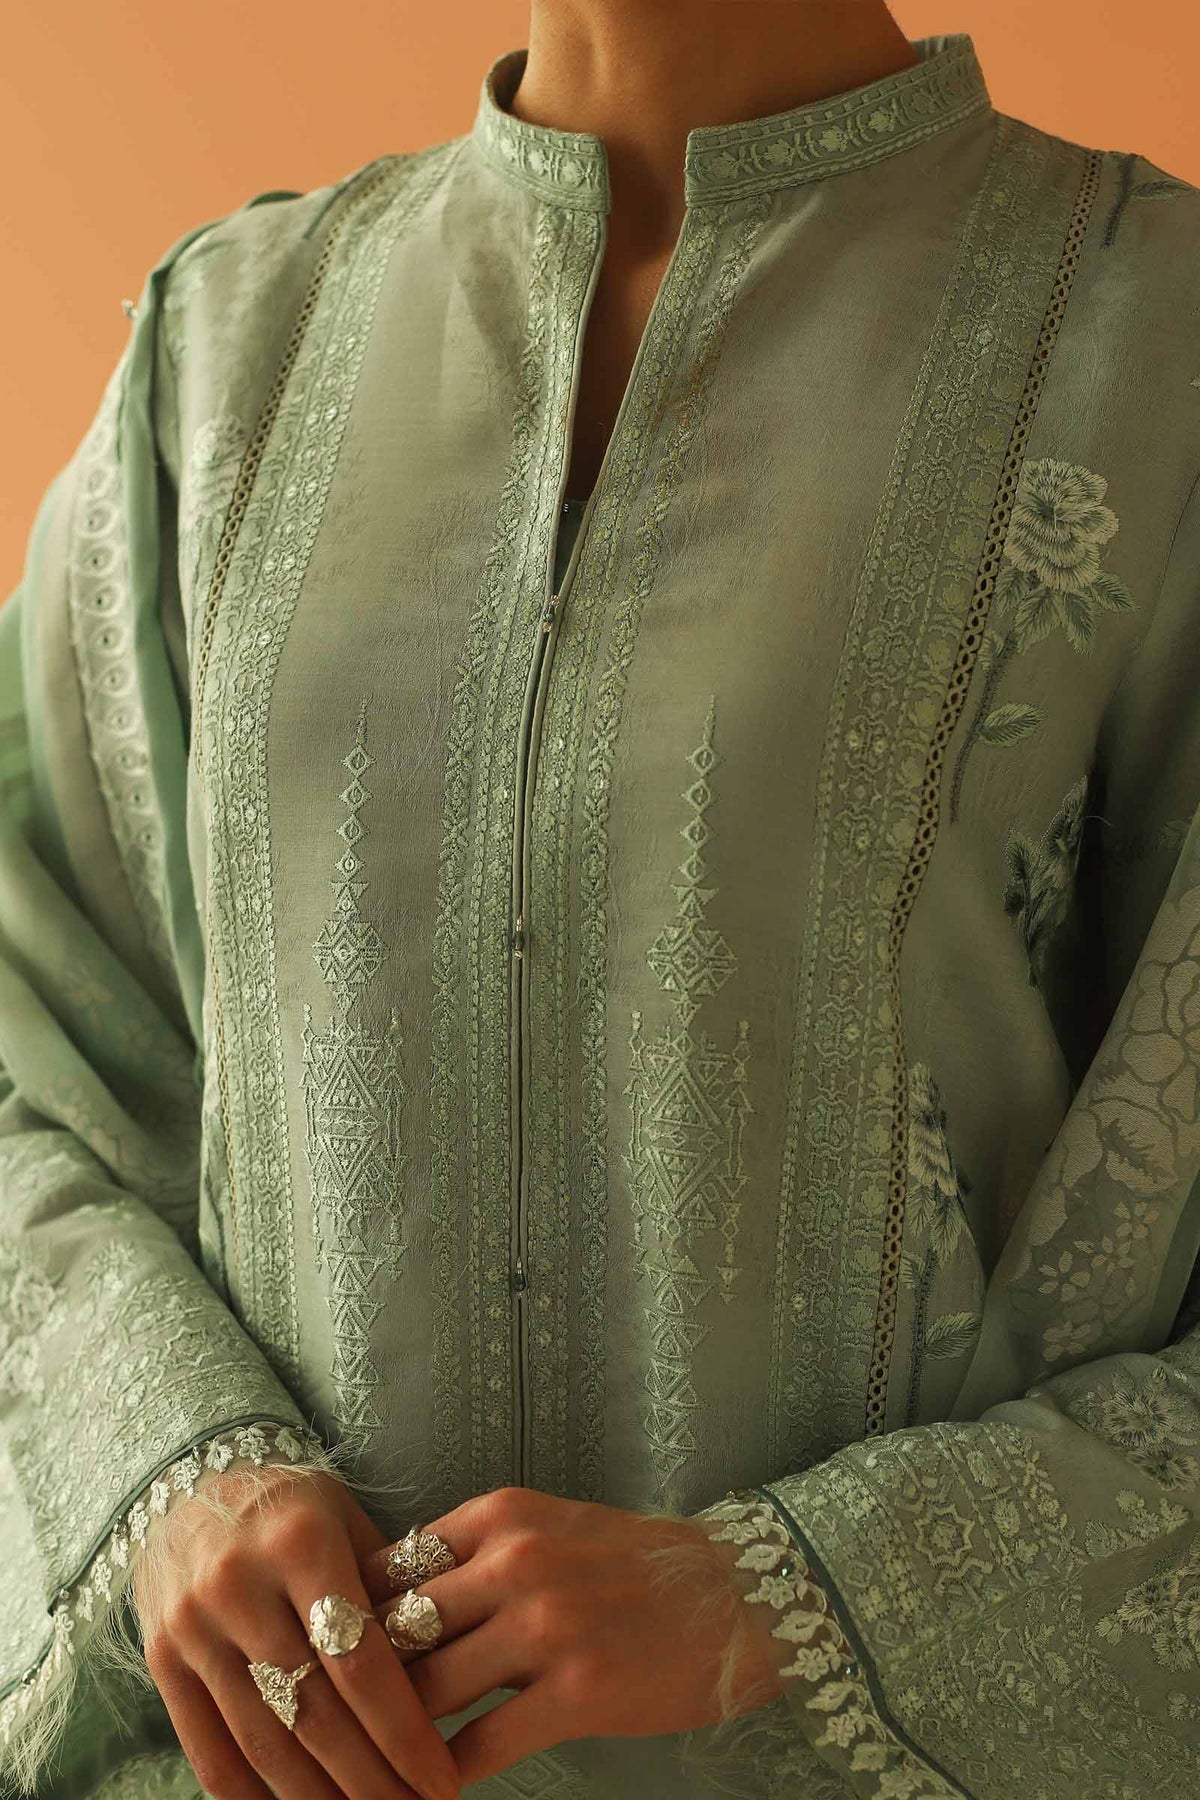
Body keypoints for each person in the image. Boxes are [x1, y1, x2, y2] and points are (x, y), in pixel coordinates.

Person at [1, 0, 1198, 1793]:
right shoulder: (224, 356)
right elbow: (33, 1053)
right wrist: (174, 1468)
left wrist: (787, 1596)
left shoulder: (1150, 338)